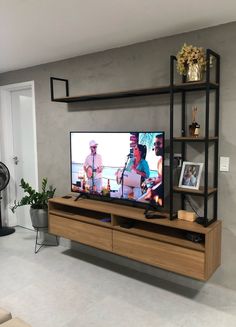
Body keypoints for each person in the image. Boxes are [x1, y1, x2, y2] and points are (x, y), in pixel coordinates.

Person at [141, 134, 164, 204]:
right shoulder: (160, 161)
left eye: (159, 143)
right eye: (155, 144)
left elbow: (164, 181)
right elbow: (160, 177)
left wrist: (151, 186)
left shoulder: (166, 162)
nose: (156, 146)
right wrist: (152, 180)